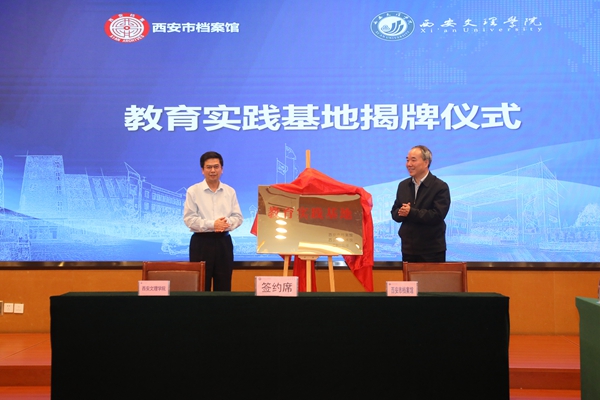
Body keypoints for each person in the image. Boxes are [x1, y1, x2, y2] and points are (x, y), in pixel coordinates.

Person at [183, 151, 243, 291]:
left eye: (216, 167)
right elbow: (189, 219)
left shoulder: (230, 191)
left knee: (223, 286)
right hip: (201, 243)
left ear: (222, 169)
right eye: (209, 167)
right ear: (202, 170)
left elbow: (238, 217)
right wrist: (213, 224)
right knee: (200, 286)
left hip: (223, 242)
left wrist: (225, 224)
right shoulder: (193, 191)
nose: (213, 170)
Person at [391, 145, 450, 262]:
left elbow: (437, 215)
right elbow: (395, 212)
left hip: (432, 250)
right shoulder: (403, 185)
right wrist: (400, 213)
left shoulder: (440, 186)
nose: (409, 164)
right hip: (408, 249)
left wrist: (411, 212)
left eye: (413, 160)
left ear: (426, 162)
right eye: (407, 160)